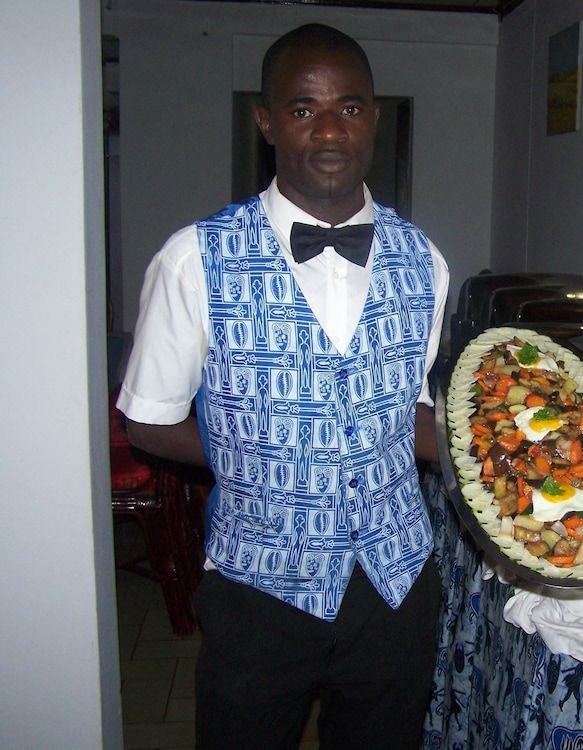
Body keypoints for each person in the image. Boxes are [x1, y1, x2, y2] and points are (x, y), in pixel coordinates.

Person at [116, 23, 449, 750]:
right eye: (303, 109)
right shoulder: (192, 260)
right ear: (266, 122)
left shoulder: (425, 260)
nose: (330, 131)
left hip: (395, 586)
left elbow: (405, 406)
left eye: (351, 107)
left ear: (374, 116)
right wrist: (261, 456)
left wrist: (483, 447)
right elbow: (147, 421)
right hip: (260, 588)